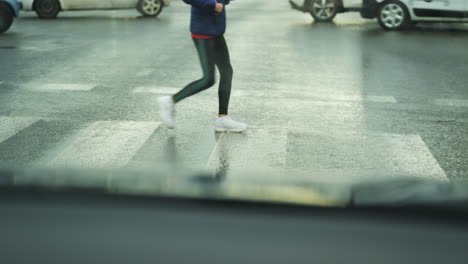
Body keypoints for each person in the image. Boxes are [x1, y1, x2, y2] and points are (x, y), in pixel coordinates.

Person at [158, 0, 248, 133]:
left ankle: (222, 119)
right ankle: (169, 101)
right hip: (203, 32)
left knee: (226, 72)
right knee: (208, 79)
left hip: (216, 30)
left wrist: (221, 2)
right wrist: (212, 4)